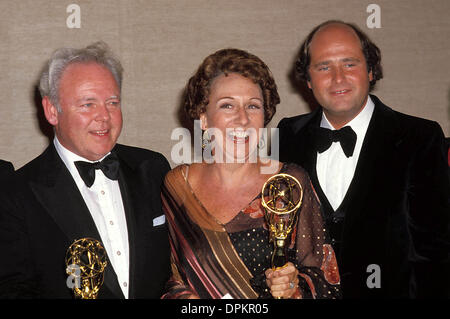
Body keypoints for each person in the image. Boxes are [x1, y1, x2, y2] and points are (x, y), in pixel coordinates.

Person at [278, 20, 450, 298]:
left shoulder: (420, 137)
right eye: (324, 67)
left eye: (350, 64)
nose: (337, 77)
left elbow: (436, 252)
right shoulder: (286, 135)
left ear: (371, 70)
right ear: (308, 79)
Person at [161, 48, 341, 299]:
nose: (243, 119)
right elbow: (167, 277)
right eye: (227, 105)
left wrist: (294, 288)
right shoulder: (177, 185)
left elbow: (326, 281)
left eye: (253, 106)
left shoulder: (288, 183)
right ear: (203, 117)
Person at [0, 42, 171, 298]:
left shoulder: (152, 169)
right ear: (51, 111)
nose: (104, 116)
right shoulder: (16, 193)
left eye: (112, 102)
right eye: (87, 104)